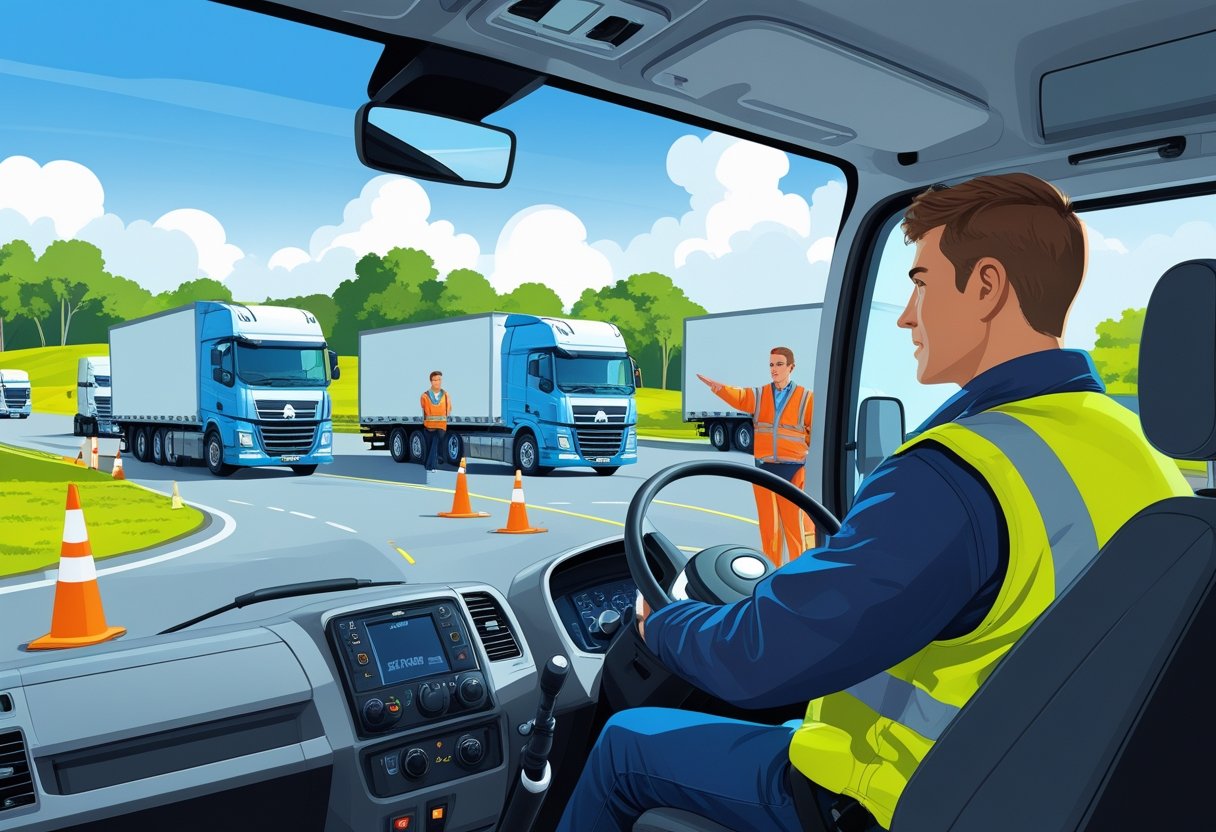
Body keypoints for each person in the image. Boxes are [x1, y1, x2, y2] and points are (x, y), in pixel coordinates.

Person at [555, 172, 1193, 832]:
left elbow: (762, 656)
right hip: (1052, 787)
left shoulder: (955, 474)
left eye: (921, 284)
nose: (910, 316)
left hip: (896, 799)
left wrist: (659, 625)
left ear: (986, 288)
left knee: (625, 745)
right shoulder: (1138, 445)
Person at [696, 347, 815, 567]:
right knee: (769, 530)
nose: (774, 370)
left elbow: (816, 430)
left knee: (794, 528)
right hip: (764, 469)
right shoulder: (760, 395)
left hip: (794, 469)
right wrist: (718, 388)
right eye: (771, 365)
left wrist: (802, 447)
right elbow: (739, 396)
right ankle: (772, 572)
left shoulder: (806, 398)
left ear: (791, 367)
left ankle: (799, 573)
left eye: (779, 364)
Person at [420, 370, 450, 472]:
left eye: (439, 379)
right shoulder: (425, 396)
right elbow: (425, 409)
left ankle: (431, 466)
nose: (437, 382)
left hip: (441, 425)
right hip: (429, 426)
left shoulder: (445, 395)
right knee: (429, 446)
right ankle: (429, 465)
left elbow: (448, 408)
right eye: (434, 380)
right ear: (431, 381)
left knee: (435, 445)